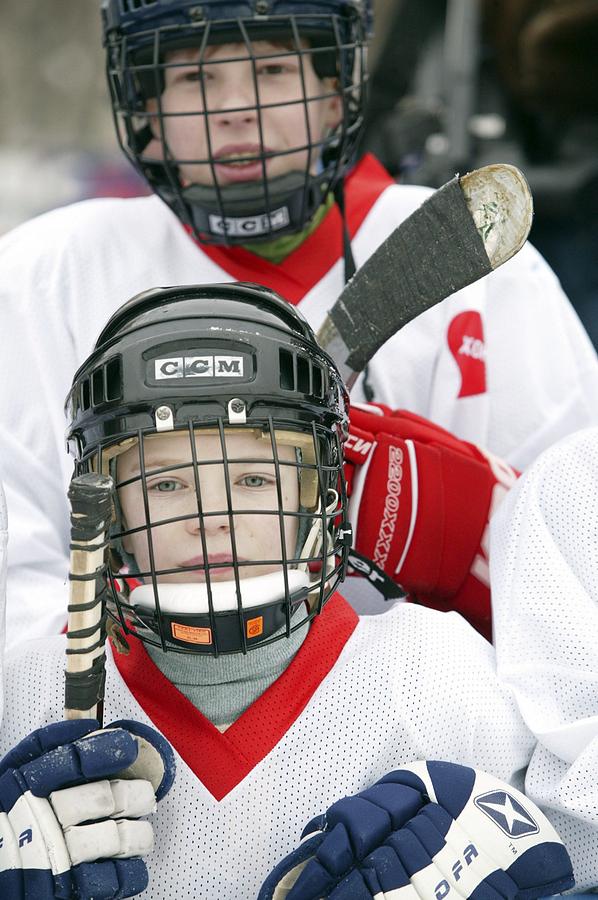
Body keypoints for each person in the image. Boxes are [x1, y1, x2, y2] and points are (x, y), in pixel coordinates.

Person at [1, 0, 597, 649]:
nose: (235, 106)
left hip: (421, 730)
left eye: (275, 70)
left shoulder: (482, 276)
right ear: (146, 107)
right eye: (196, 79)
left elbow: (577, 583)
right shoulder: (46, 276)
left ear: (335, 96)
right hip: (143, 732)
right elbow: (19, 576)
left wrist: (479, 534)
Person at [0, 284, 593, 899]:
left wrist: (513, 837)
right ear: (109, 510)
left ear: (318, 496)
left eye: (254, 478)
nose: (212, 516)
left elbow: (575, 835)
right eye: (167, 485)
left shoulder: (438, 673)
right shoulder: (24, 693)